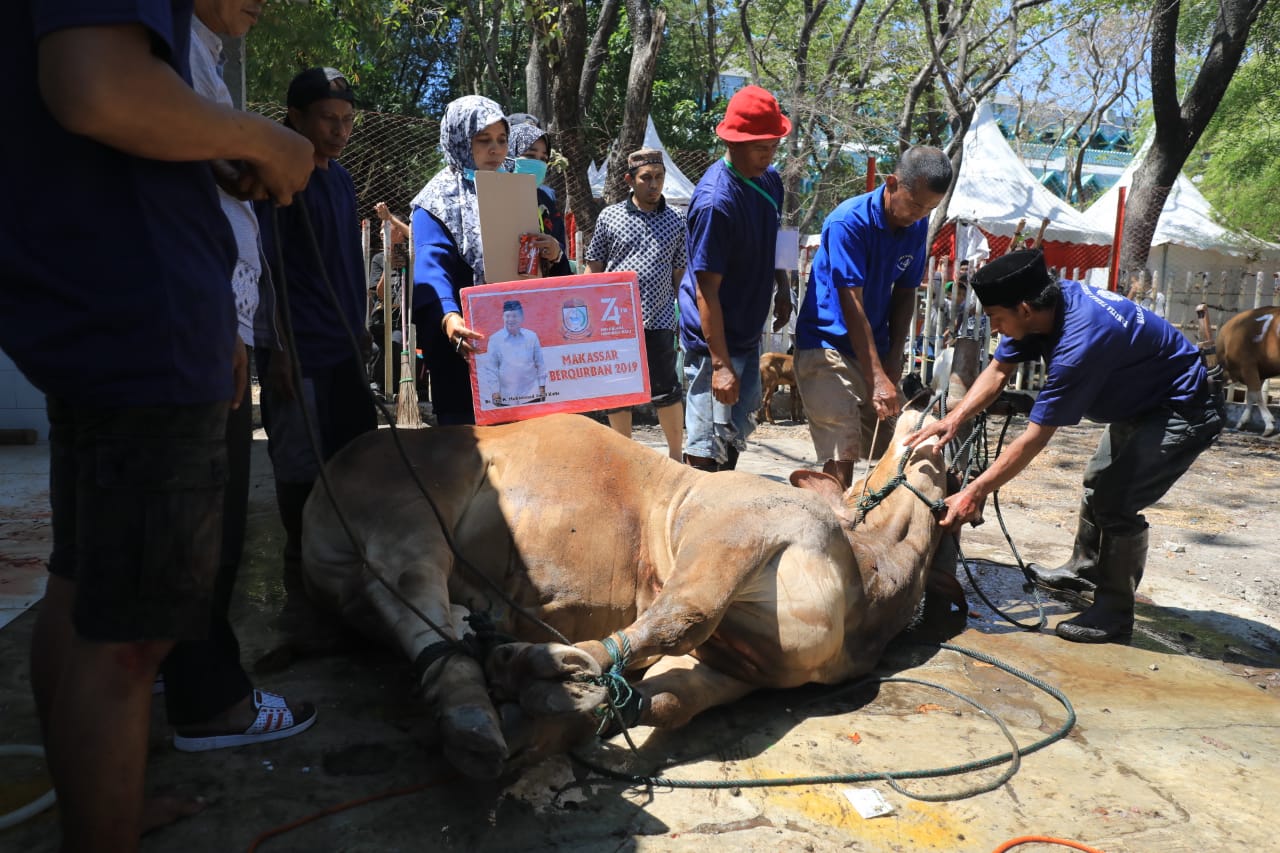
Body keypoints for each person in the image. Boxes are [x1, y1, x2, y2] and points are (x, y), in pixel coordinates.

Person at [0, 1, 313, 849]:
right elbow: (97, 88)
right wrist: (263, 138)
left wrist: (215, 155)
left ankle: (101, 807)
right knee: (133, 640)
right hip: (145, 326)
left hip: (113, 315)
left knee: (84, 588)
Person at [904, 250, 1223, 644]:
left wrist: (974, 491)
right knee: (1097, 482)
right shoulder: (1045, 305)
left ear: (1023, 309)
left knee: (1115, 502)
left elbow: (1035, 437)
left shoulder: (1081, 339)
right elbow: (999, 369)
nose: (995, 327)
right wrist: (954, 418)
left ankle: (1115, 612)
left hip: (1181, 408)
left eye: (996, 317)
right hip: (1141, 401)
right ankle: (1085, 572)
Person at [158, 0, 316, 754]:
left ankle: (169, 667)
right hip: (189, 326)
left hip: (207, 320)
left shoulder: (198, 54)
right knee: (201, 530)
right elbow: (177, 192)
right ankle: (207, 696)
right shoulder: (153, 43)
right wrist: (224, 320)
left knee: (186, 527)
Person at [255, 66, 377, 572]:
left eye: (347, 120)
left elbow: (345, 262)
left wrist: (362, 327)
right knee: (301, 465)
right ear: (296, 117)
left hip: (344, 345)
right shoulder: (278, 175)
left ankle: (346, 564)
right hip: (298, 348)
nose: (340, 131)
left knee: (355, 459)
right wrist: (278, 346)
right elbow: (265, 265)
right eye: (328, 119)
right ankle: (301, 566)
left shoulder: (342, 179)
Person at [793, 147, 952, 487]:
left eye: (930, 208)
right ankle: (835, 523)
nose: (919, 214)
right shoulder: (847, 222)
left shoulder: (916, 227)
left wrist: (893, 359)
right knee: (842, 447)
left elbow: (906, 292)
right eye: (914, 204)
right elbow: (852, 303)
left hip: (873, 349)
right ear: (892, 183)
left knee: (898, 449)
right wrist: (878, 377)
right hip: (826, 344)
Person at [410, 96, 569, 425]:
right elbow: (432, 266)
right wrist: (449, 317)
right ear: (459, 139)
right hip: (466, 341)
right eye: (483, 141)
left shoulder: (517, 187)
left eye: (501, 140)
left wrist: (553, 253)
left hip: (520, 336)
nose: (495, 150)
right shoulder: (435, 199)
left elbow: (535, 258)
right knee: (466, 447)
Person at [678, 85, 793, 472]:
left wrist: (784, 288)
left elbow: (779, 237)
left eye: (774, 146)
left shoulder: (770, 180)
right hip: (714, 340)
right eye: (761, 147)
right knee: (706, 441)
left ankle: (722, 504)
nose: (769, 155)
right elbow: (704, 288)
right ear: (734, 141)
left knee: (736, 431)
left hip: (746, 328)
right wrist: (721, 364)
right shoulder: (715, 202)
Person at [586, 148, 688, 460]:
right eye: (646, 178)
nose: (654, 184)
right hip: (615, 322)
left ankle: (675, 456)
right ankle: (625, 456)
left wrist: (683, 319)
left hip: (659, 320)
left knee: (666, 388)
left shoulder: (676, 222)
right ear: (630, 180)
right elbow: (594, 268)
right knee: (618, 391)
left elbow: (680, 275)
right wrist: (590, 318)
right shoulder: (609, 216)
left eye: (659, 177)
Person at [367, 202, 410, 397]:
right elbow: (379, 294)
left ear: (399, 233)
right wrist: (388, 264)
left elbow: (414, 236)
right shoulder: (378, 259)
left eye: (387, 228)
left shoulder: (410, 256)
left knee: (396, 342)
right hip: (381, 319)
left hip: (403, 322)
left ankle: (396, 387)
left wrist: (389, 217)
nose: (381, 232)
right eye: (380, 229)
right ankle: (377, 385)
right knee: (376, 347)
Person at [507, 120, 568, 257]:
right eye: (529, 156)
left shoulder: (547, 199)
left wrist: (556, 253)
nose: (538, 163)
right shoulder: (488, 197)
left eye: (543, 158)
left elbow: (560, 248)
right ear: (509, 154)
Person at [481, 300, 547, 406]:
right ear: (503, 317)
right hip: (506, 397)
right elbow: (491, 368)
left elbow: (540, 363)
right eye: (507, 316)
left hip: (531, 395)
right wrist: (495, 392)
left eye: (514, 316)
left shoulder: (532, 336)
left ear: (522, 317)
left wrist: (542, 387)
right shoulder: (494, 339)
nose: (510, 320)